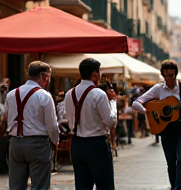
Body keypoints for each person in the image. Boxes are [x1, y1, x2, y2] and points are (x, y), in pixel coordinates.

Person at [132, 59, 181, 190]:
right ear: (163, 75)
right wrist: (149, 112)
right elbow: (136, 103)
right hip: (166, 129)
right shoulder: (158, 89)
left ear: (176, 74)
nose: (169, 78)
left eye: (172, 75)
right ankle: (174, 185)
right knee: (171, 162)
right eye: (166, 75)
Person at [64, 58, 117, 190]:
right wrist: (113, 104)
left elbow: (67, 116)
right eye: (99, 73)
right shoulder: (99, 94)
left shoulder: (69, 94)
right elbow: (111, 122)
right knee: (105, 185)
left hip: (76, 144)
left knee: (82, 186)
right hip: (96, 144)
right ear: (94, 74)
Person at [5, 61, 59, 190]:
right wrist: (55, 141)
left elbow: (7, 118)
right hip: (38, 144)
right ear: (44, 76)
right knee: (40, 185)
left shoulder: (11, 94)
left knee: (16, 185)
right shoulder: (44, 96)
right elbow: (52, 125)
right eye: (48, 78)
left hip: (15, 143)